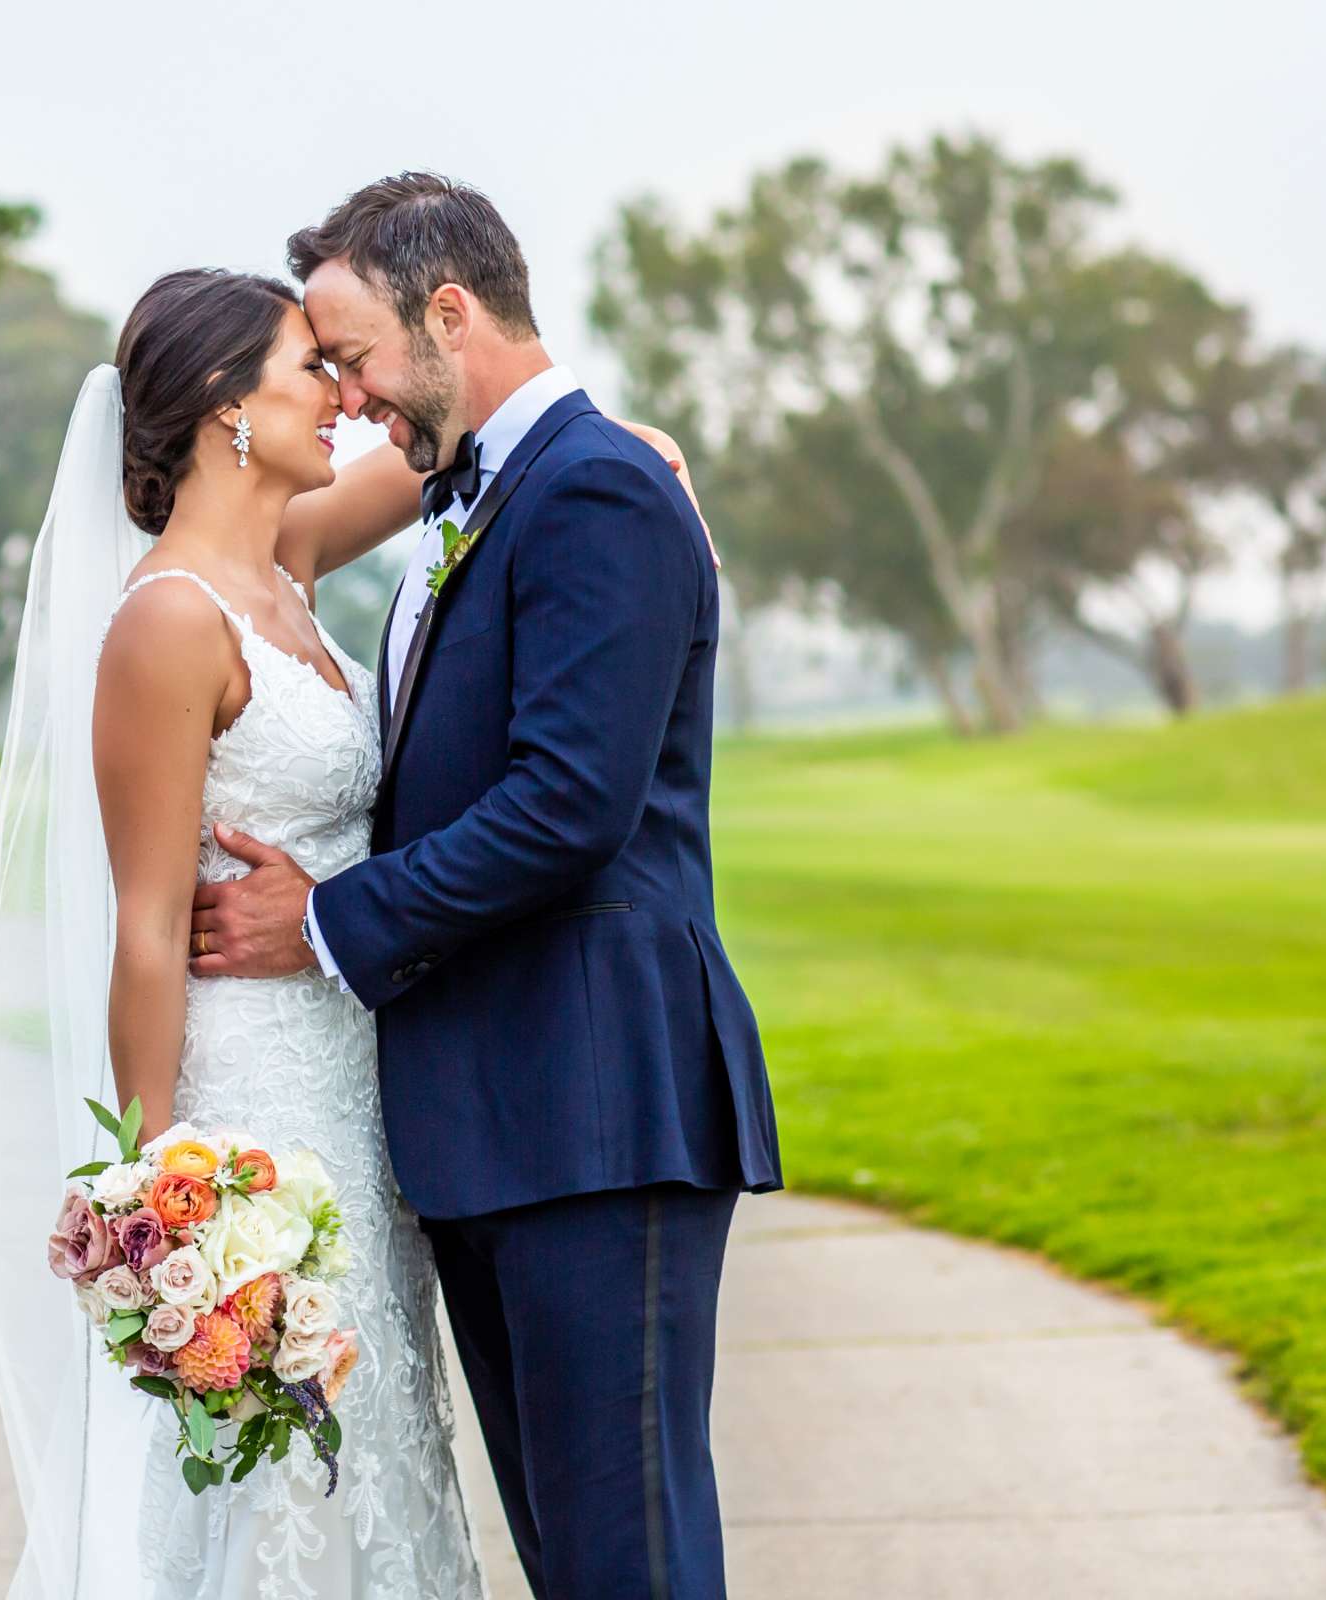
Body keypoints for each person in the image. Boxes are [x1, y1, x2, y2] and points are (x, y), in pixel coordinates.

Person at [191, 174, 781, 1600]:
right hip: (496, 1124)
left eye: (354, 356)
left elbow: (570, 807)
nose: (348, 397)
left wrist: (327, 919)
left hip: (594, 1110)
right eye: (322, 367)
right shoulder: (491, 490)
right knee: (576, 1561)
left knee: (626, 1558)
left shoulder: (595, 491)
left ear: (450, 313)